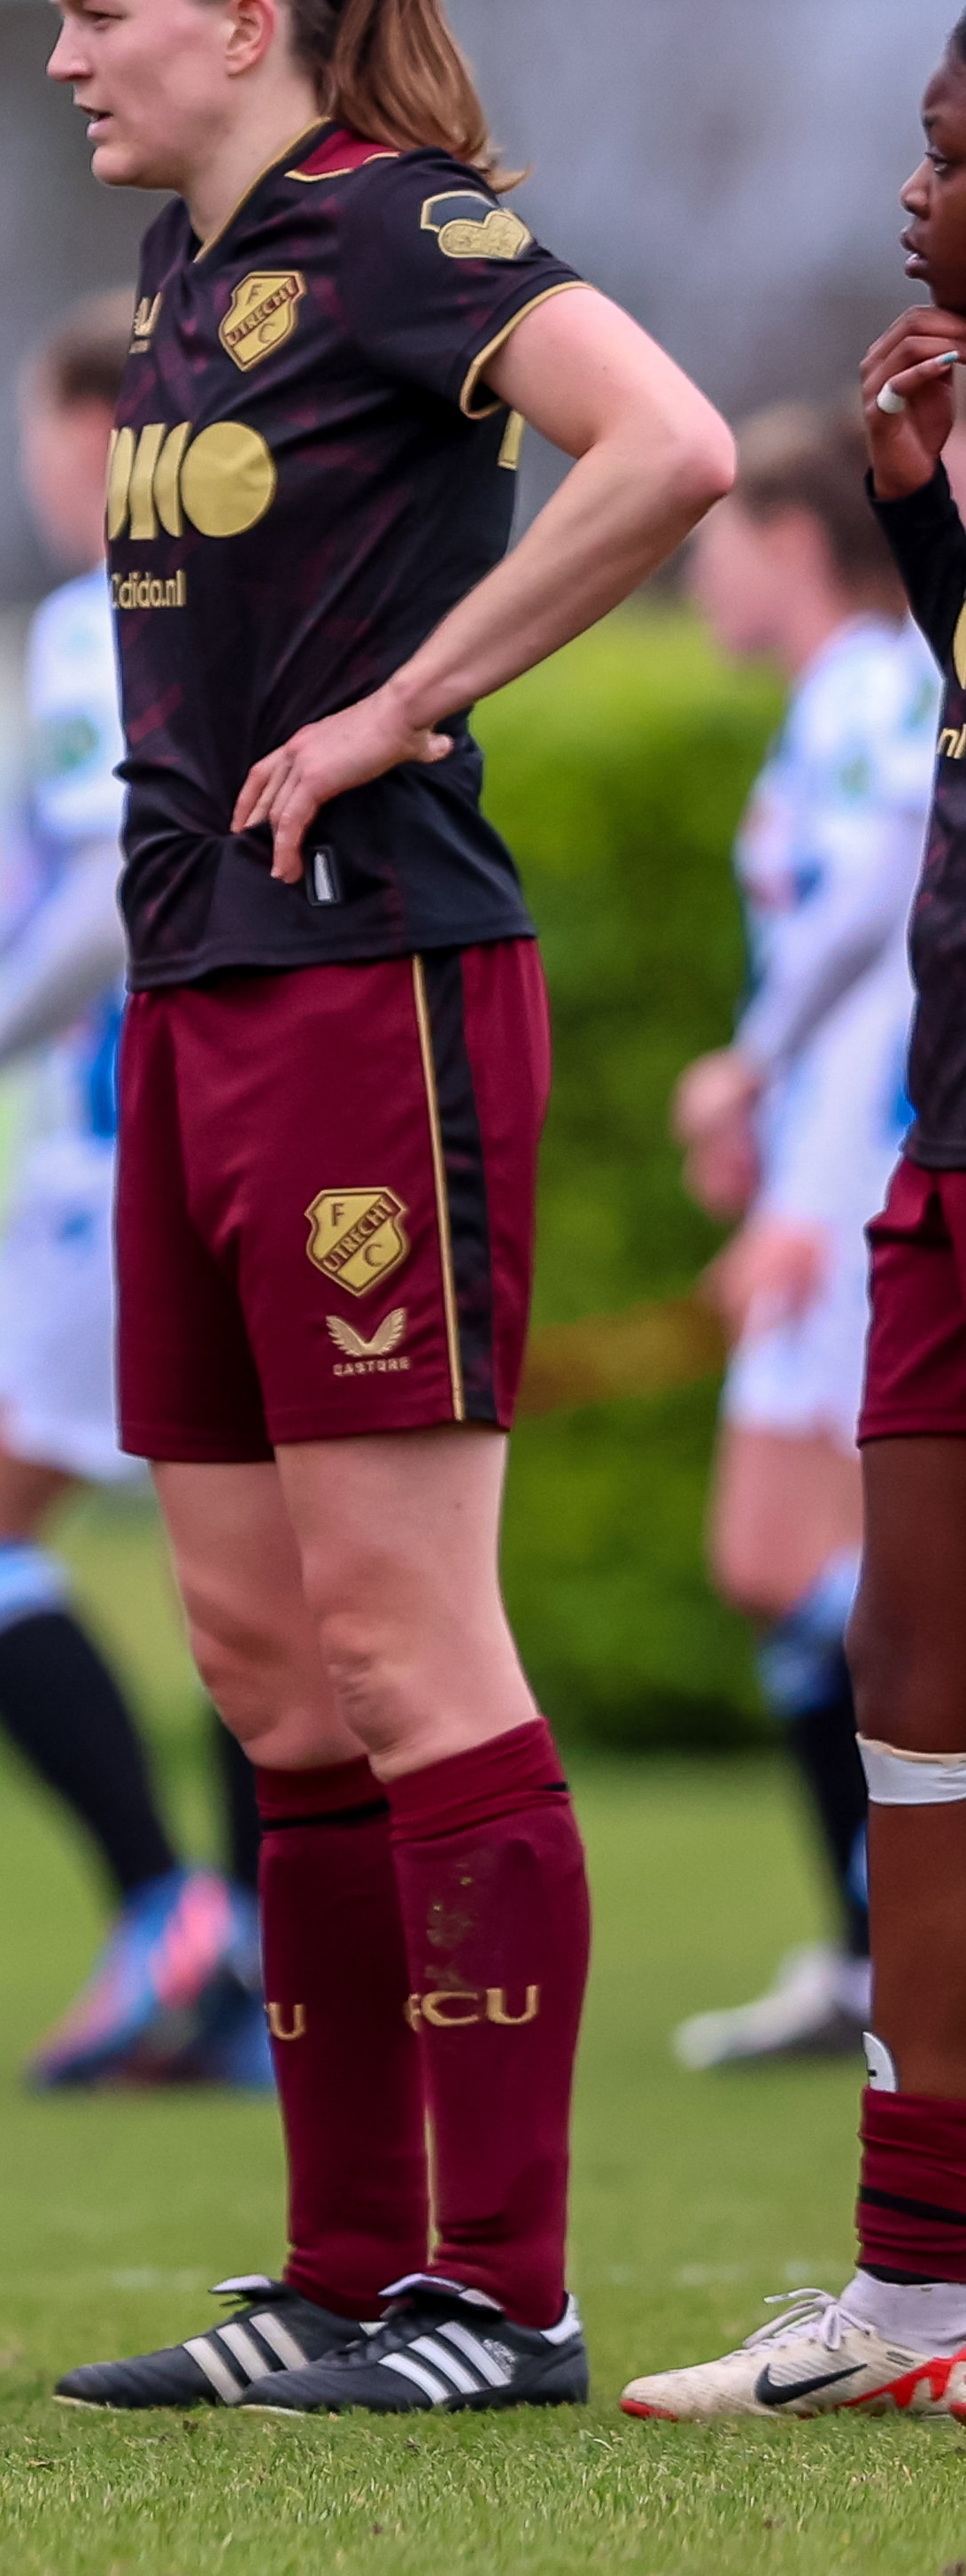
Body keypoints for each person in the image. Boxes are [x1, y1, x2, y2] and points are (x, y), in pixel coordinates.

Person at [33, 0, 730, 2418]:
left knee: (406, 1637)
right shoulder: (186, 275)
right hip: (201, 996)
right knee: (257, 1659)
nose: (68, 53)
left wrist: (408, 702)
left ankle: (506, 2297)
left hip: (378, 991)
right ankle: (339, 2277)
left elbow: (663, 452)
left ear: (246, 21)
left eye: (102, 9)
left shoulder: (407, 229)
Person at [625, 44, 966, 2417]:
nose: (909, 190)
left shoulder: (837, 688)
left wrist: (770, 1097)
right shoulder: (918, 555)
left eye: (950, 153)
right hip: (933, 1151)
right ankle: (914, 2299)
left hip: (894, 1153)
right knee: (908, 1700)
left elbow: (853, 901)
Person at [0, 296, 272, 2094]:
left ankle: (166, 1910)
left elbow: (120, 892)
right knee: (264, 1573)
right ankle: (257, 1955)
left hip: (122, 1146)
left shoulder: (89, 625)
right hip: (253, 1129)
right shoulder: (251, 603)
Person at [667, 405, 929, 2071]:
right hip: (836, 1174)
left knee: (804, 1563)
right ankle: (869, 1949)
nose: (696, 567)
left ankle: (895, 1926)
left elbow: (891, 915)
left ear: (789, 539)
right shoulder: (850, 697)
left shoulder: (870, 691)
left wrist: (788, 1164)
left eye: (716, 535)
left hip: (854, 1189)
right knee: (802, 1572)